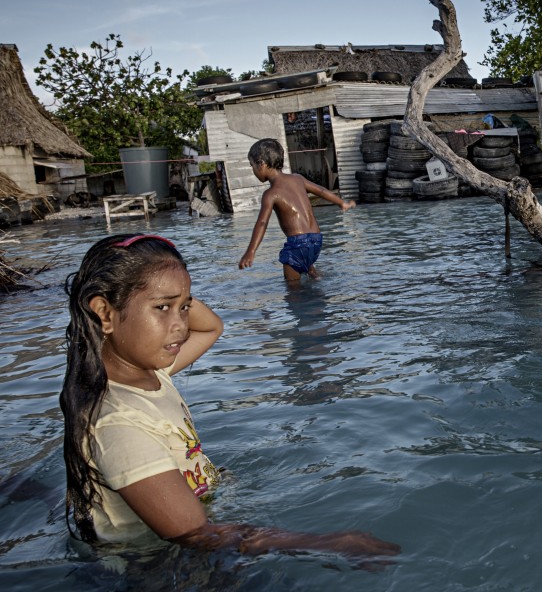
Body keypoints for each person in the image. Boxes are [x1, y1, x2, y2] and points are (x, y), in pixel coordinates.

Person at [62, 233, 400, 562]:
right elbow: (195, 534)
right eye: (162, 308)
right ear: (104, 314)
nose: (180, 325)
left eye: (185, 307)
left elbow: (211, 328)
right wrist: (327, 543)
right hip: (152, 565)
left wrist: (173, 292)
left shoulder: (151, 373)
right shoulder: (119, 425)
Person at [239, 138, 356, 281]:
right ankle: (314, 274)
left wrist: (251, 251)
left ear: (261, 164)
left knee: (292, 290)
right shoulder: (298, 178)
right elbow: (321, 190)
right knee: (308, 267)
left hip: (297, 244)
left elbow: (262, 223)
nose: (253, 171)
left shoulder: (270, 194)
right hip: (316, 240)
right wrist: (341, 203)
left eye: (252, 166)